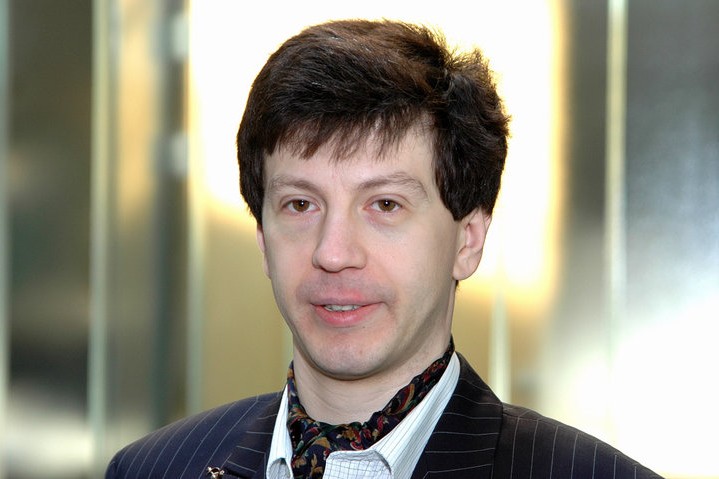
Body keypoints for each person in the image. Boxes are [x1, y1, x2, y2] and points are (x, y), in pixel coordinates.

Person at [106, 19, 662, 479]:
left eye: (385, 205)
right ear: (262, 240)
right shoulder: (151, 469)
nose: (333, 252)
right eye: (300, 204)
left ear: (468, 239)